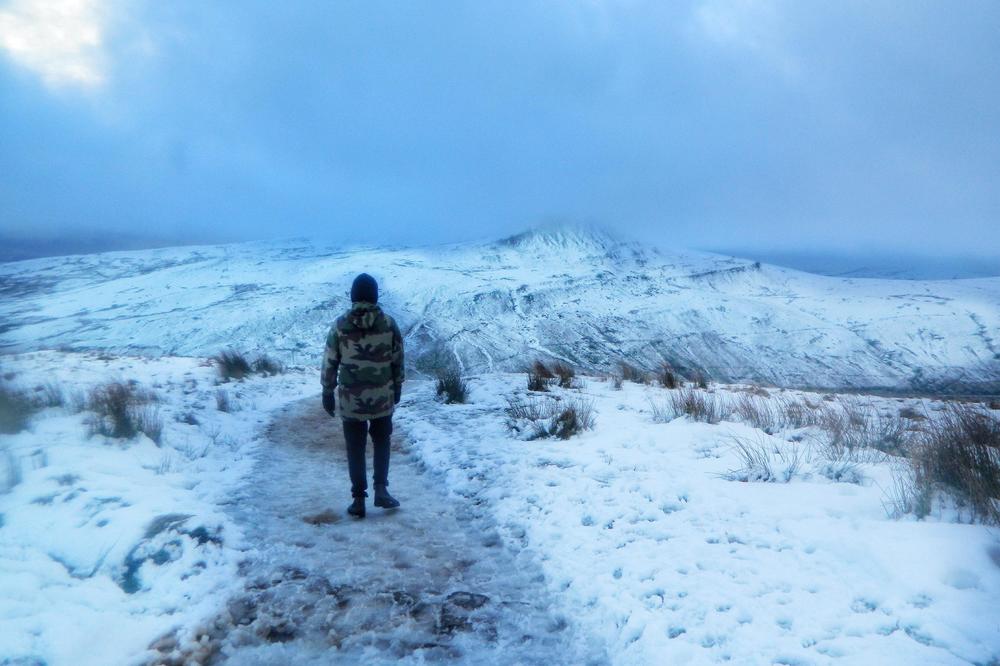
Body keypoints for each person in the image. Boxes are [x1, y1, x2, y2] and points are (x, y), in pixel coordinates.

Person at [321, 273, 405, 518]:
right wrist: (397, 386)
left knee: (355, 447)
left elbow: (330, 362)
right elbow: (398, 359)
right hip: (382, 397)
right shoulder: (389, 324)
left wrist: (327, 391)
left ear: (353, 296)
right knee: (382, 442)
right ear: (375, 295)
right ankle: (381, 490)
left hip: (350, 400)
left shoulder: (339, 325)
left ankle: (358, 499)